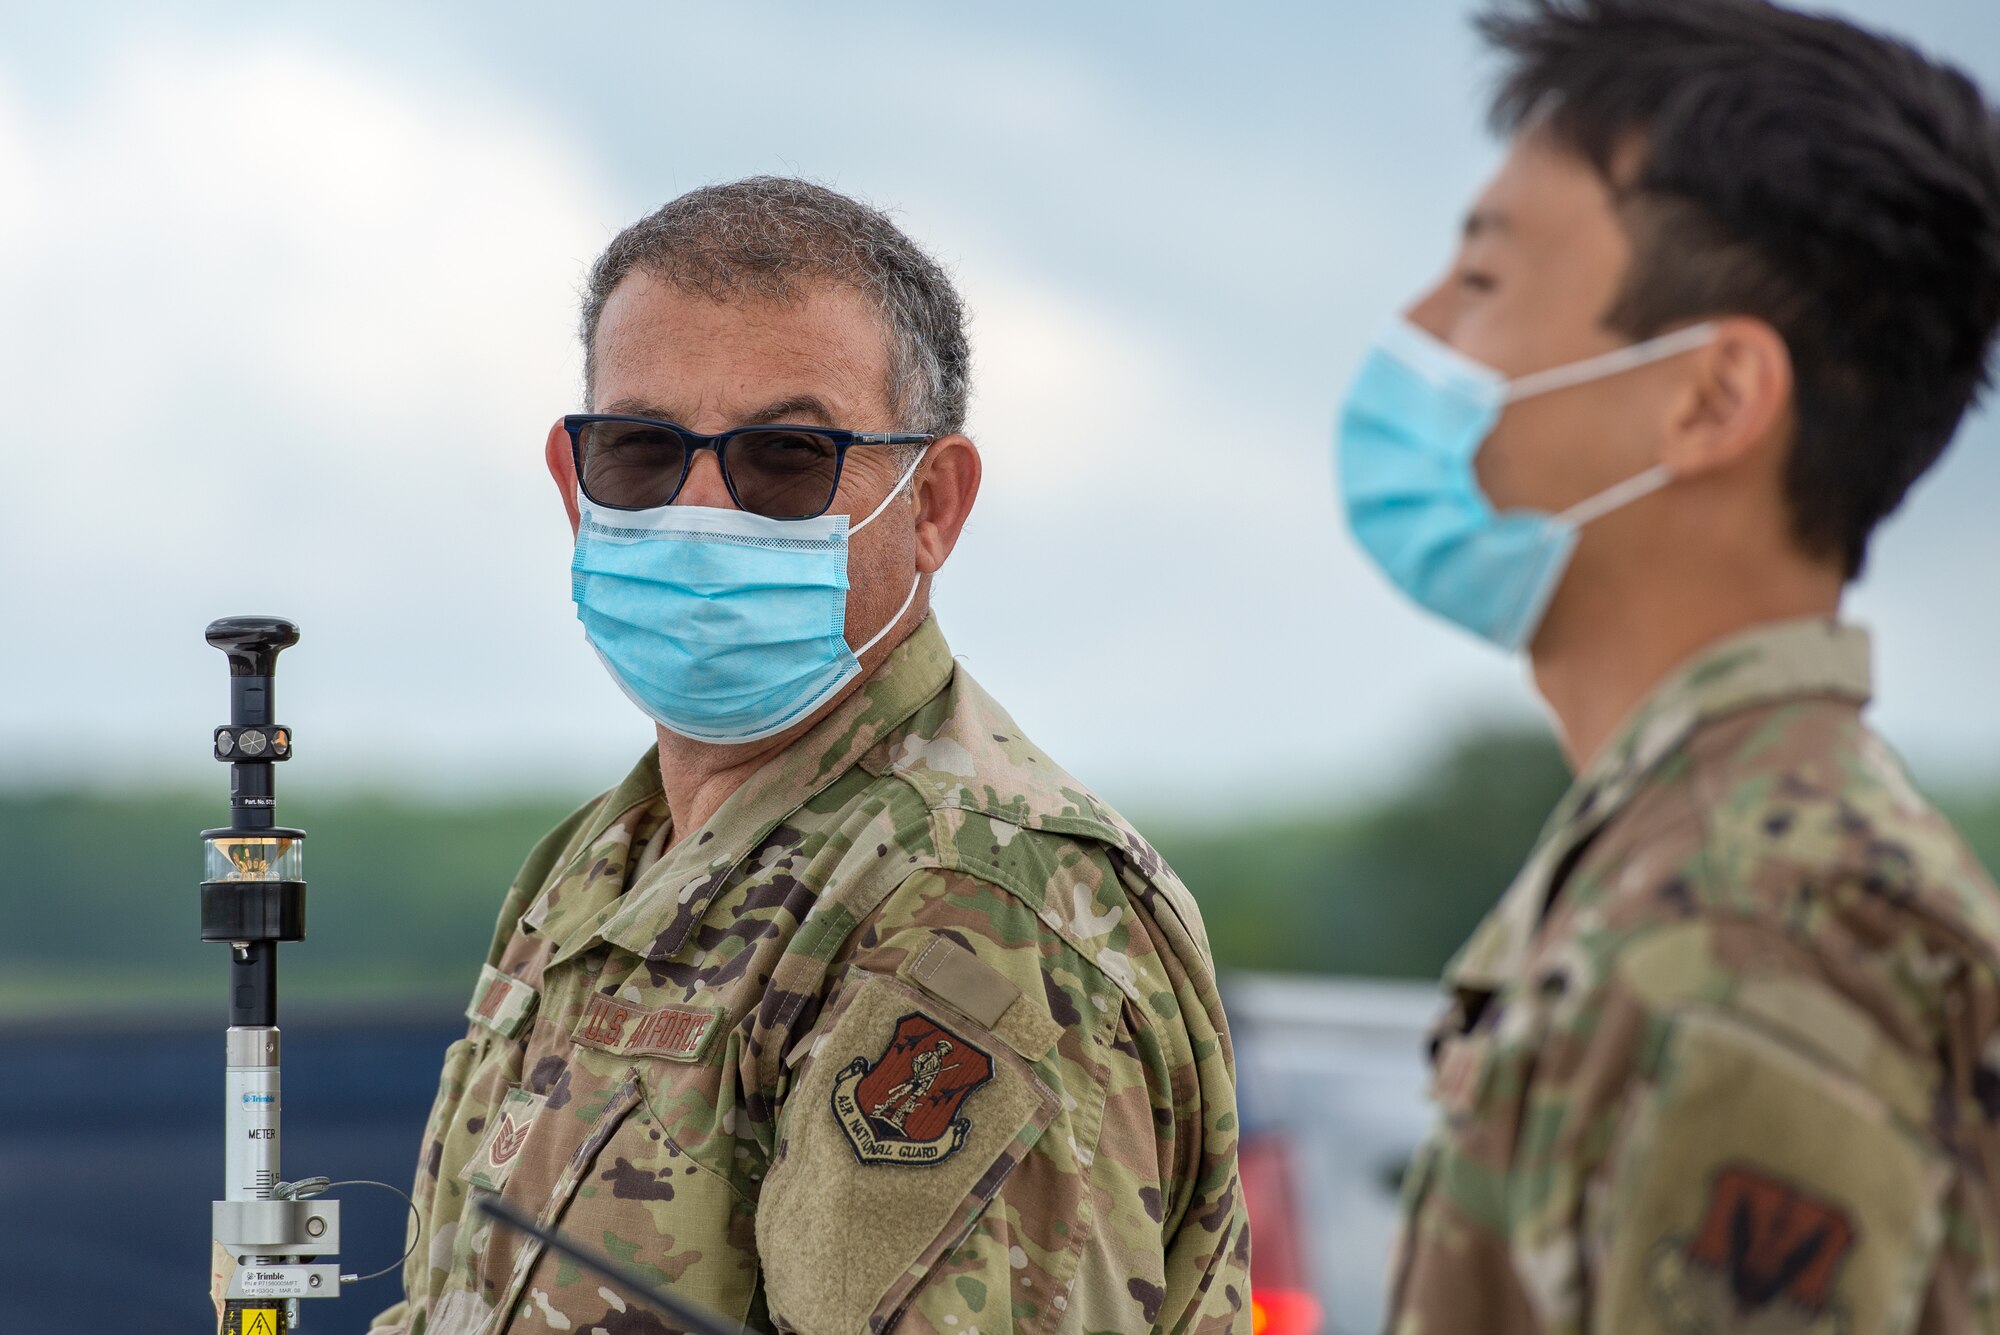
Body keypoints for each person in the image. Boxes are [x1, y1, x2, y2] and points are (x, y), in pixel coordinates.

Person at [367, 178, 1249, 1335]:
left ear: (930, 503)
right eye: (640, 451)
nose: (698, 509)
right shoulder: (600, 864)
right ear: (574, 488)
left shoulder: (971, 904)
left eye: (783, 458)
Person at [1331, 1, 2000, 1331]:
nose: (1414, 328)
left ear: (1707, 399)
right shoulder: (1690, 859)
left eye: (1481, 281)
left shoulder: (1760, 926)